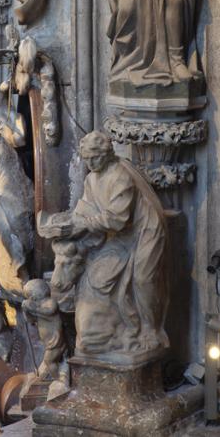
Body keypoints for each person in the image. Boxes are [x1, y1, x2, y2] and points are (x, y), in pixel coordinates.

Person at [38, 131, 168, 362]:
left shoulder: (120, 177)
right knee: (96, 271)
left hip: (144, 231)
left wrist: (84, 224)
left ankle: (152, 330)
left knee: (142, 278)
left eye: (95, 158)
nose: (90, 164)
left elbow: (116, 219)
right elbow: (86, 208)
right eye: (86, 159)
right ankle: (120, 329)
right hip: (117, 235)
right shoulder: (91, 178)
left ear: (107, 154)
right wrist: (64, 224)